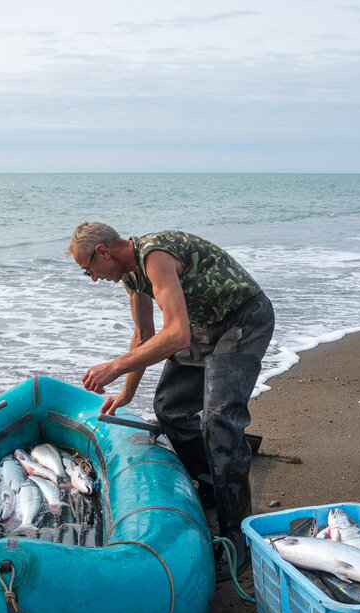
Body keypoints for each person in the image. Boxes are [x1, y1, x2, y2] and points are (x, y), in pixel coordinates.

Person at [66, 224, 274, 578]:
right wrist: (127, 392)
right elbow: (144, 334)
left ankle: (240, 540)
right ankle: (211, 487)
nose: (92, 278)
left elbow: (176, 334)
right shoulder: (132, 276)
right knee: (169, 409)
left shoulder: (155, 257)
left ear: (103, 252)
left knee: (219, 422)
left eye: (88, 269)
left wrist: (114, 367)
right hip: (205, 329)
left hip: (243, 320)